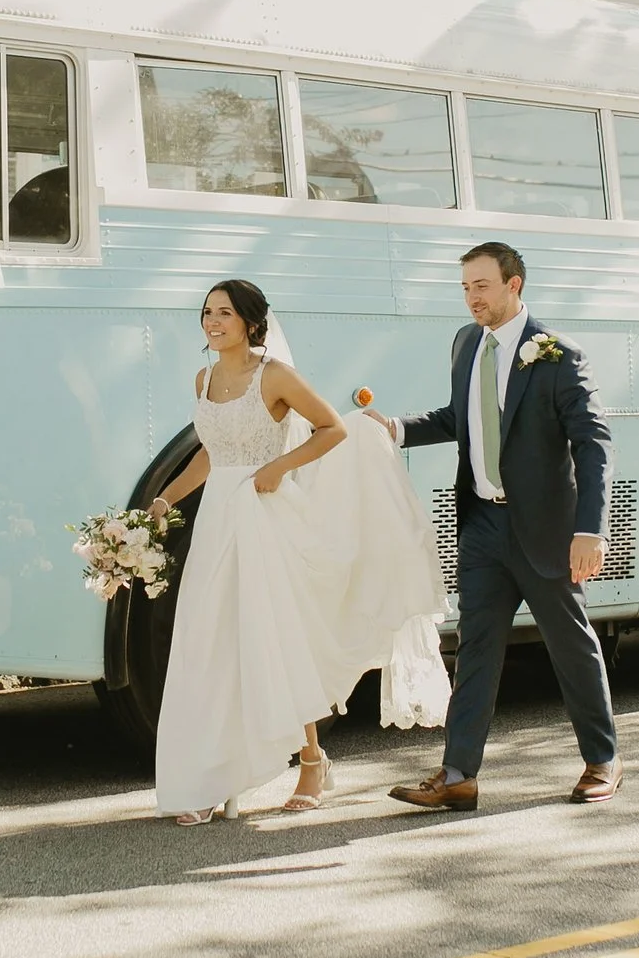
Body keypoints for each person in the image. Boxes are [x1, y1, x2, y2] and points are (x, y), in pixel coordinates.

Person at [148, 280, 448, 824]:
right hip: (218, 520)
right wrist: (167, 496)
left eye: (224, 313)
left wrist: (277, 468)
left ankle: (312, 759)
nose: (212, 322)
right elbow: (212, 456)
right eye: (207, 312)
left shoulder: (275, 375)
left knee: (275, 636)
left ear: (250, 322)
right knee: (210, 640)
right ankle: (213, 775)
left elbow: (332, 428)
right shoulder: (203, 377)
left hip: (265, 516)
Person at [368, 242, 620, 809]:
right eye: (464, 287)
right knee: (476, 648)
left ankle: (603, 760)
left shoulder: (558, 354)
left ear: (514, 286)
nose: (471, 297)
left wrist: (590, 529)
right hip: (482, 524)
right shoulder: (465, 343)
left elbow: (593, 442)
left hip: (546, 530)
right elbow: (462, 418)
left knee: (570, 647)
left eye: (481, 285)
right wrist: (395, 429)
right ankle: (458, 775)